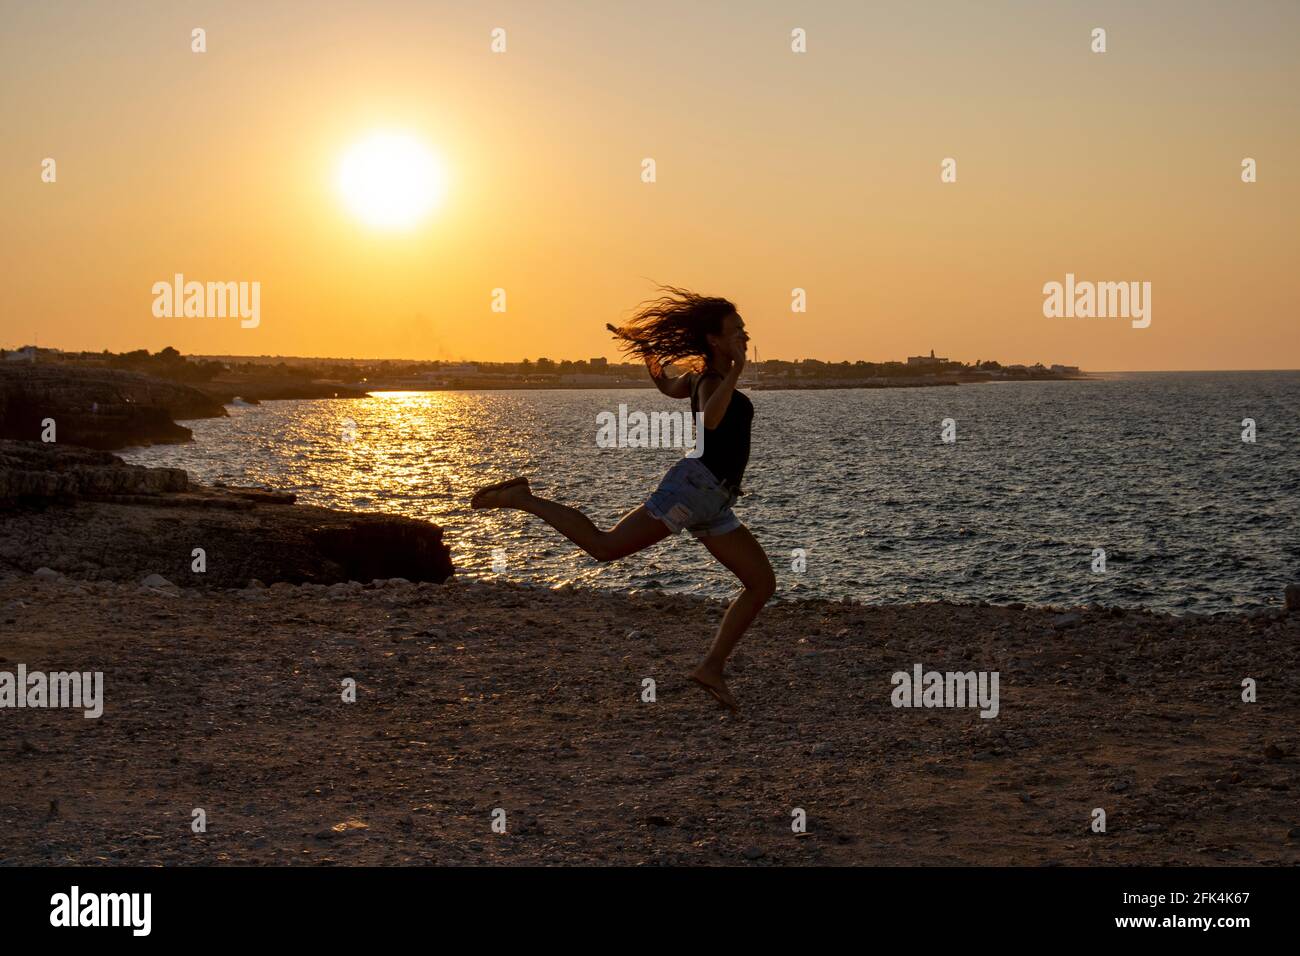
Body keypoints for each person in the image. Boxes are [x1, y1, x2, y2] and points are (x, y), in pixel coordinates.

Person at [471, 286, 775, 710]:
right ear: (715, 340)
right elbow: (710, 421)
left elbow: (667, 386)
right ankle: (524, 499)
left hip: (716, 501)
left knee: (761, 583)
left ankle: (711, 667)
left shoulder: (697, 379)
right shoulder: (710, 380)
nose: (744, 335)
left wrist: (648, 350)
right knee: (605, 547)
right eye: (737, 330)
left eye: (744, 329)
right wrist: (737, 373)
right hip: (694, 488)